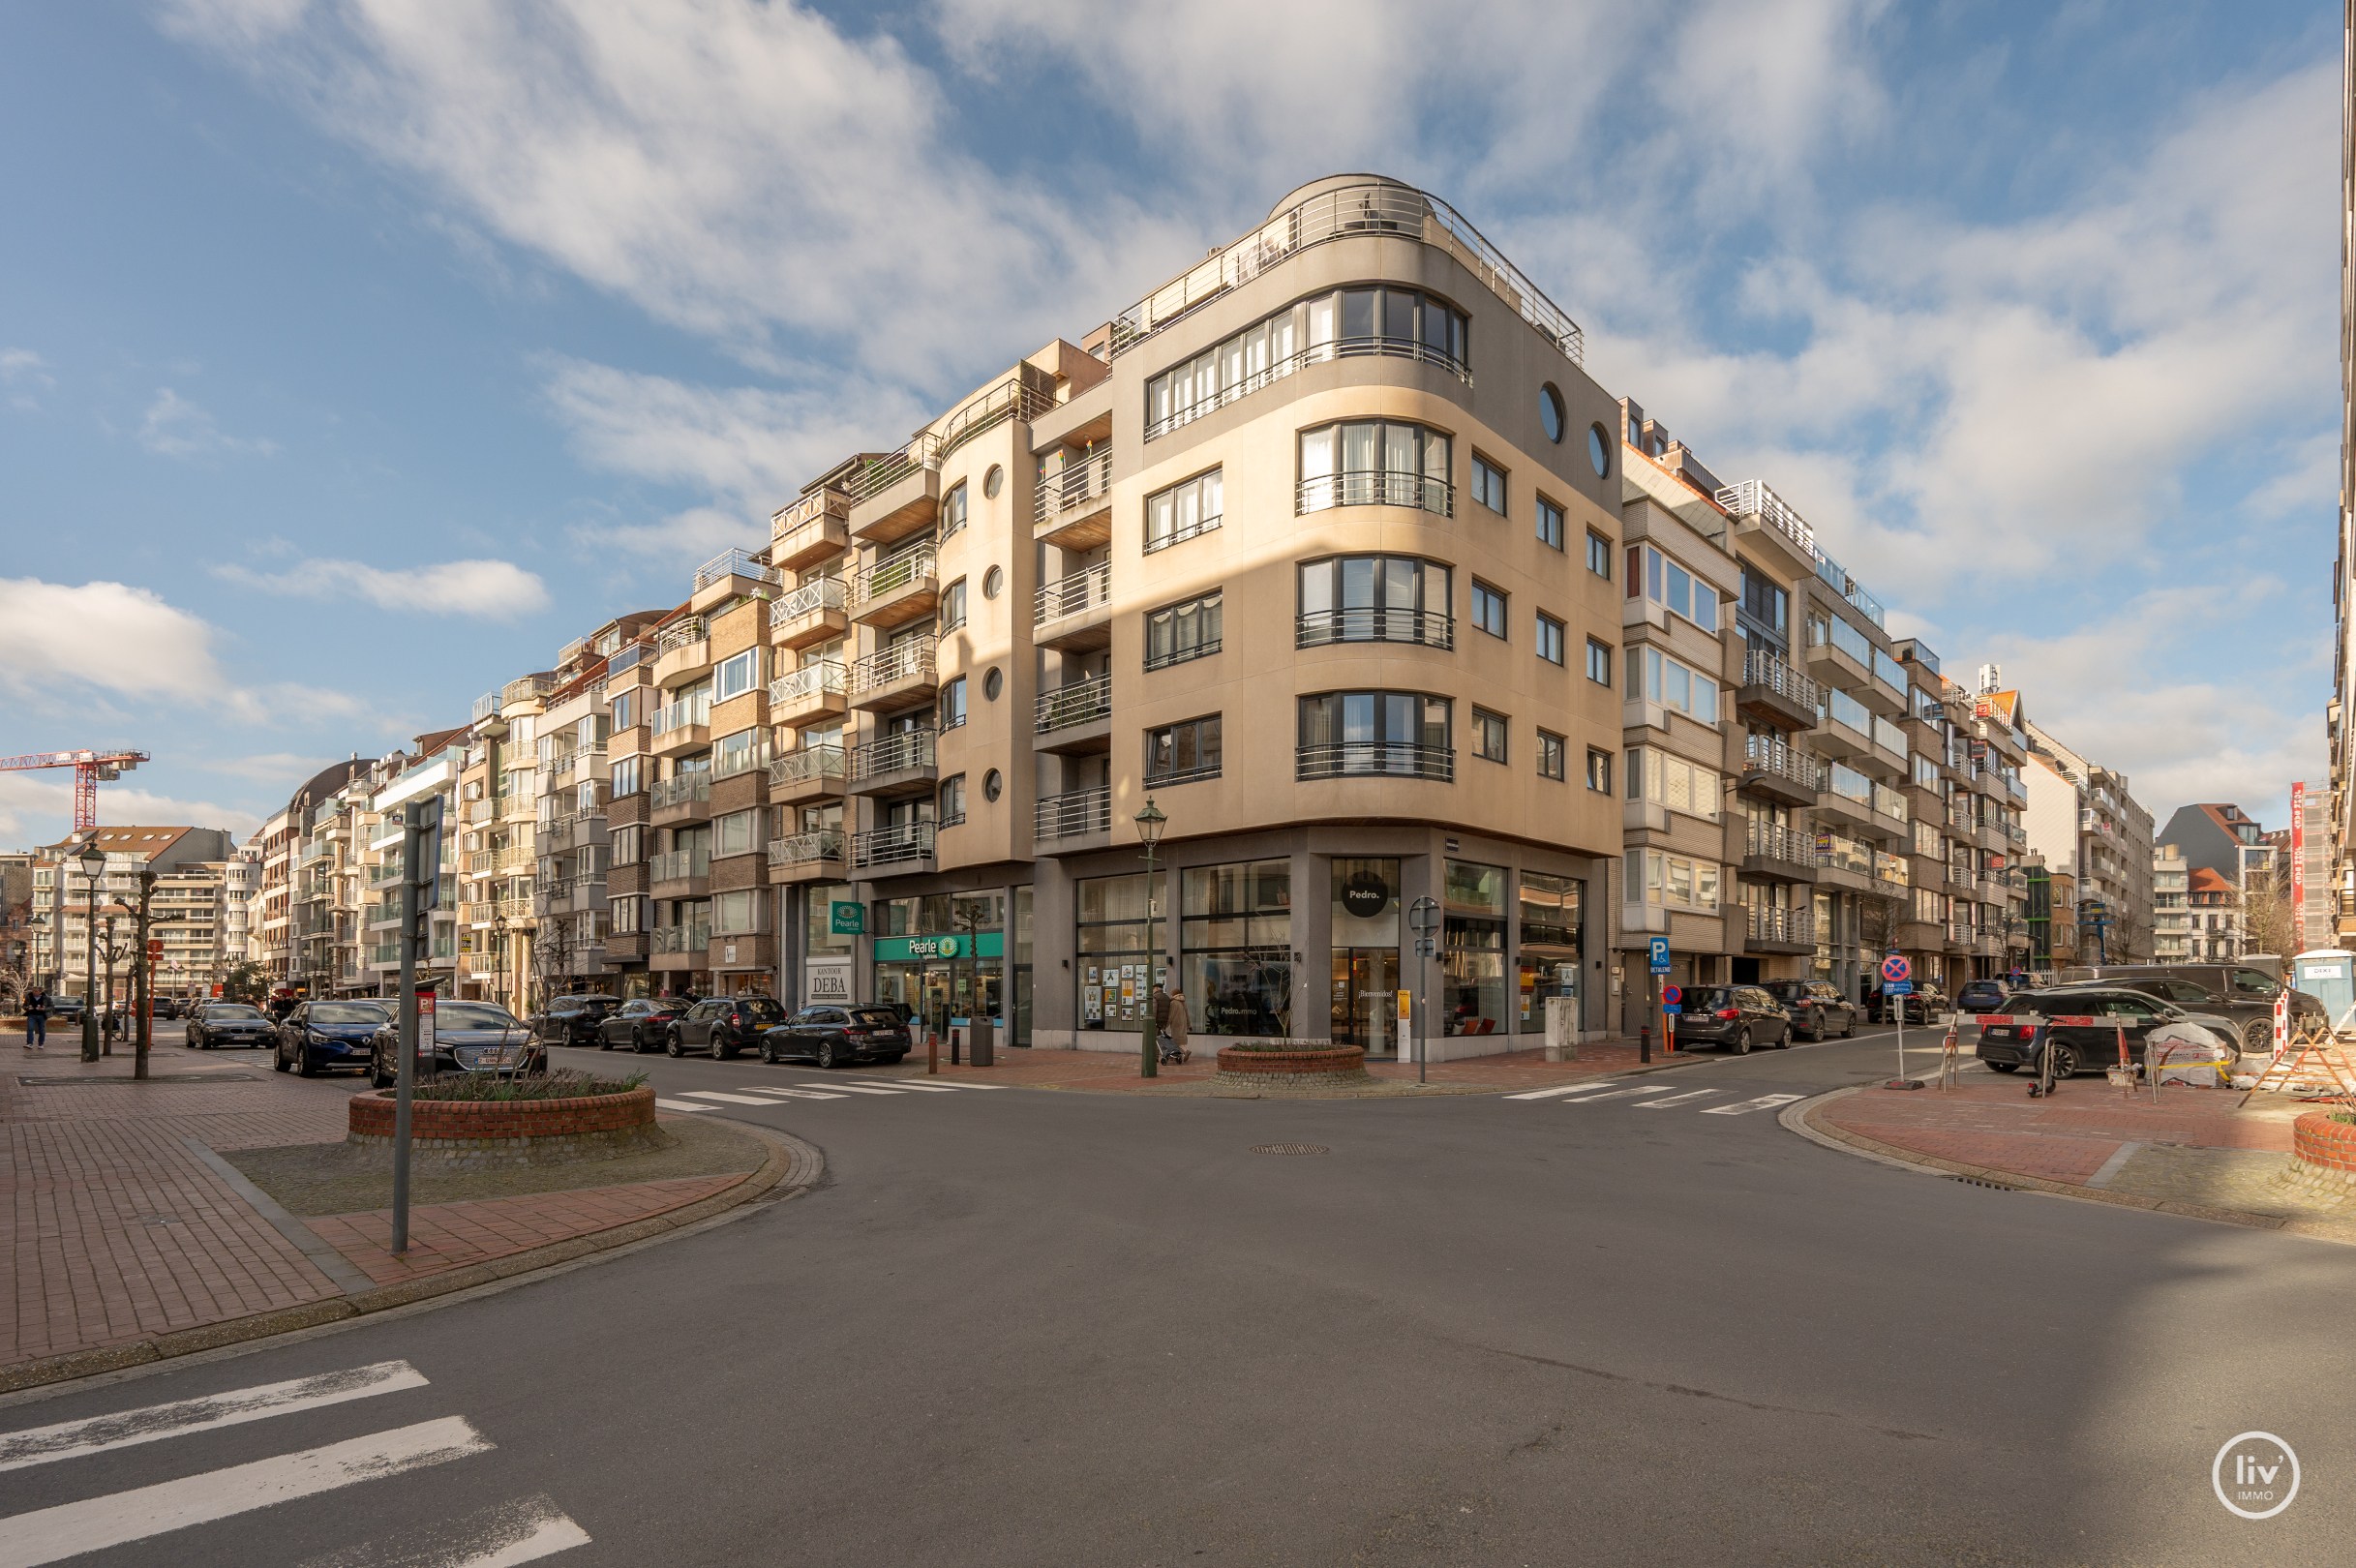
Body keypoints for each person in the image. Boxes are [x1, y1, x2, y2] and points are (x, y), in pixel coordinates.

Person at [1163, 986, 1191, 1065]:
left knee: (1176, 1040)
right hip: (1183, 1023)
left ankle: (1185, 1051)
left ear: (1174, 995)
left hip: (1176, 1024)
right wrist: (1189, 1025)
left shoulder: (1173, 1003)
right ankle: (1178, 1056)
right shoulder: (1183, 1002)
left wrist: (1166, 1025)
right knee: (1182, 1039)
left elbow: (1170, 1016)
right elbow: (1187, 1014)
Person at [22, 985, 48, 1052]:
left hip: (42, 1016)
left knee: (41, 1030)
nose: (34, 992)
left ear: (40, 992)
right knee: (30, 1028)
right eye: (33, 991)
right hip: (31, 1015)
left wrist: (44, 1008)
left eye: (36, 991)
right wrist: (27, 1008)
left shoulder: (45, 997)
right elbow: (24, 1005)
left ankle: (41, 1044)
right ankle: (29, 1044)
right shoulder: (29, 997)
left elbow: (52, 1006)